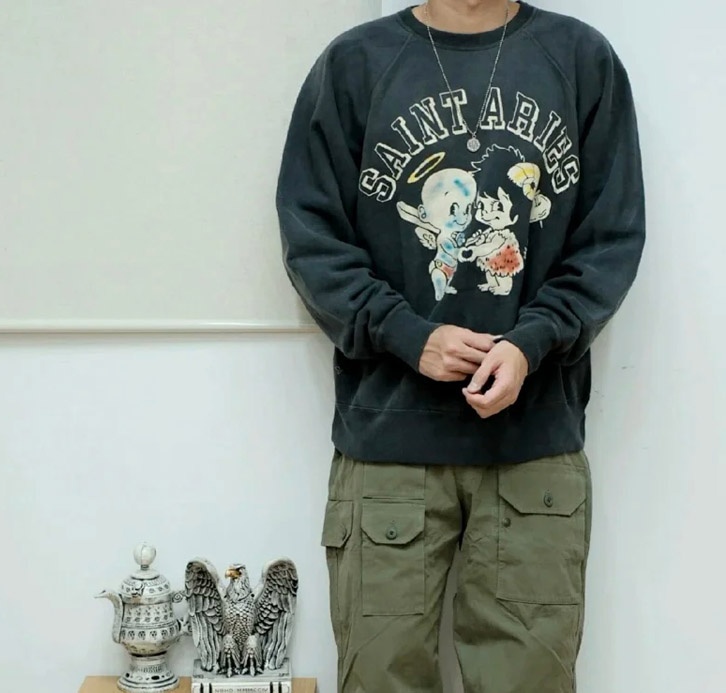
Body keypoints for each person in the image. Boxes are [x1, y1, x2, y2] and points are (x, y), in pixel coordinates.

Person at [275, 0, 645, 691]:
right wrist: (408, 336)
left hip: (533, 447)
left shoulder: (579, 59)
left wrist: (532, 342)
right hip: (389, 446)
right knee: (379, 679)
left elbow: (609, 241)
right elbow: (312, 240)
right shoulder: (356, 64)